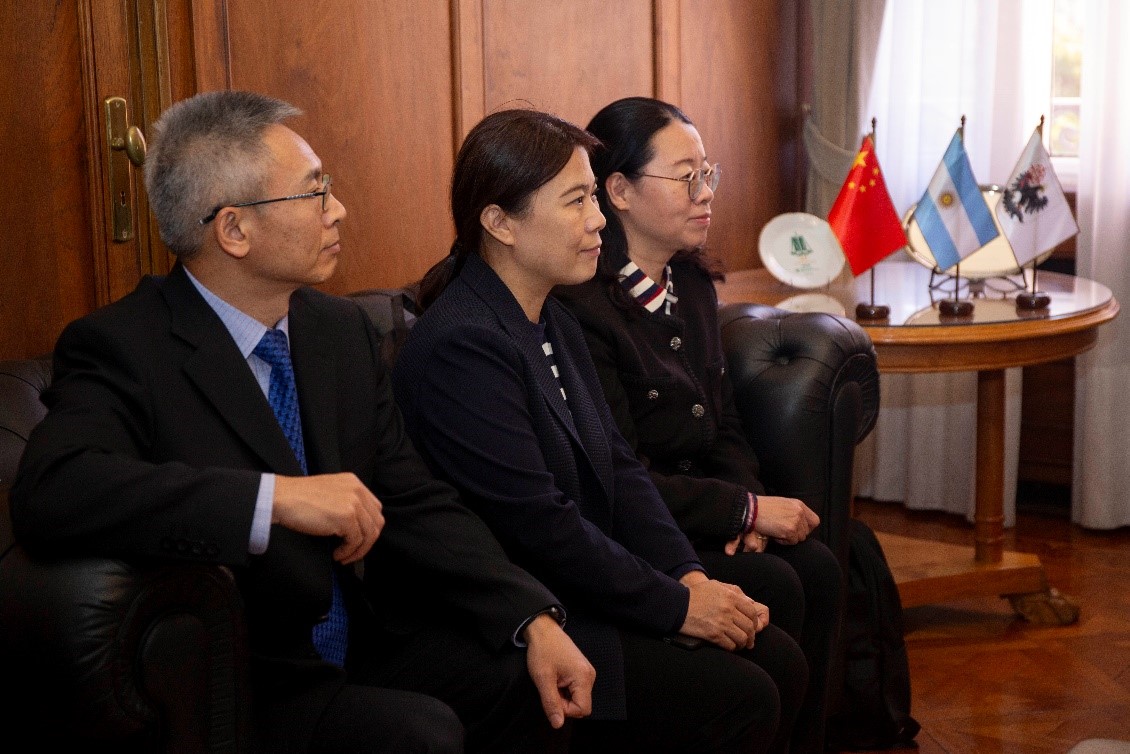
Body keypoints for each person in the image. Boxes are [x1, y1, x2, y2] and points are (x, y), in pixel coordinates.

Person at [10, 90, 596, 754]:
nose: (338, 210)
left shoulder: (335, 329)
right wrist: (274, 499)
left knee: (532, 684)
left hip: (368, 643)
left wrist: (530, 617)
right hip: (246, 680)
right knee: (418, 734)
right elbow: (53, 488)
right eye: (314, 194)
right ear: (233, 230)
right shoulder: (126, 346)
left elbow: (415, 501)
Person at [391, 107, 807, 754]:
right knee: (743, 694)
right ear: (499, 223)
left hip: (575, 580)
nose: (597, 220)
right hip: (512, 611)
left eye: (593, 196)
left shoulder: (549, 315)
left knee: (778, 656)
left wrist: (686, 576)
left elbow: (618, 468)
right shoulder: (463, 346)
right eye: (576, 201)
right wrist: (674, 607)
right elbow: (538, 524)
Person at [556, 96, 844, 754]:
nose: (706, 192)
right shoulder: (583, 306)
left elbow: (726, 424)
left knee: (820, 565)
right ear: (619, 190)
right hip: (645, 530)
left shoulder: (689, 285)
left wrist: (747, 507)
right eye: (686, 177)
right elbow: (618, 471)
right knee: (780, 580)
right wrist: (740, 511)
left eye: (708, 173)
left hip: (705, 513)